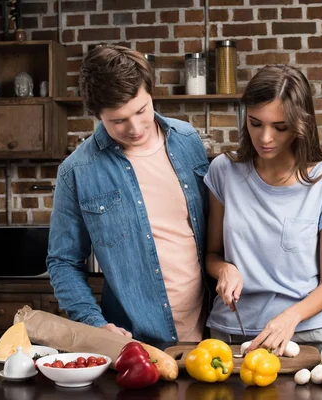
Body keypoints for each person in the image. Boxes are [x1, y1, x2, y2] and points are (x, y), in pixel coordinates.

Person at [46, 45, 209, 343]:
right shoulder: (77, 171)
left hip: (212, 332)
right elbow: (63, 262)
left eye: (141, 110)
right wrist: (93, 322)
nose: (135, 128)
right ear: (97, 115)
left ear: (151, 93)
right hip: (135, 343)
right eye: (118, 120)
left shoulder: (188, 140)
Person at [204, 65, 322, 355]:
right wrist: (224, 269)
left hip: (302, 335)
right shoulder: (224, 171)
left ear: (301, 125)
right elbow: (211, 255)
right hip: (230, 333)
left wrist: (290, 318)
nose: (264, 138)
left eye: (280, 127)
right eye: (255, 123)